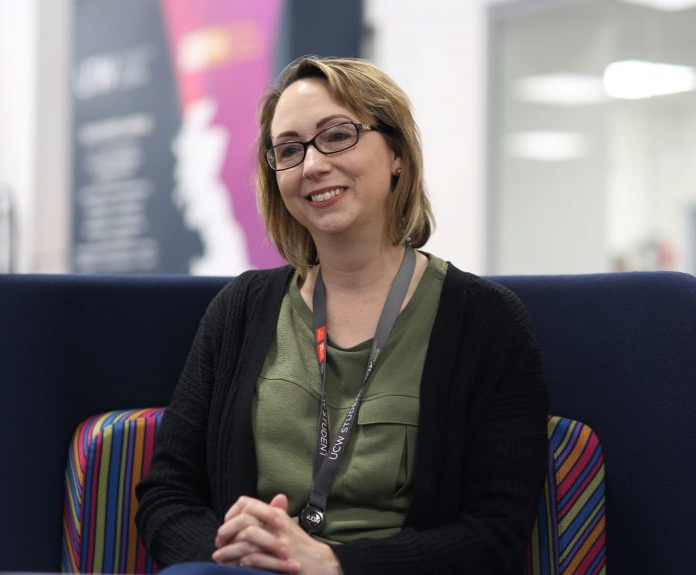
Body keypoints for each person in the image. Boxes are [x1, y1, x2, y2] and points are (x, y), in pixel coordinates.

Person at [135, 55, 548, 575]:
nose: (311, 166)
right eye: (287, 150)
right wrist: (242, 554)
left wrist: (333, 563)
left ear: (396, 152)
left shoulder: (486, 321)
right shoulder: (239, 311)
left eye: (337, 136)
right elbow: (166, 494)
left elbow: (496, 532)